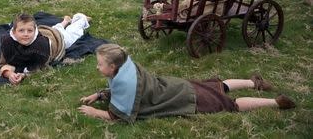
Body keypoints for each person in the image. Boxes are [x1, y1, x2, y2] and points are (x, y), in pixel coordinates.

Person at [78, 44, 295, 123]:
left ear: (113, 67)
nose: (97, 67)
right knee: (218, 85)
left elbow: (119, 116)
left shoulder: (125, 81)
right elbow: (117, 89)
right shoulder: (127, 67)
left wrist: (94, 112)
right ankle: (253, 81)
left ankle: (275, 103)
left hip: (184, 98)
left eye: (99, 64)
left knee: (230, 104)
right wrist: (99, 95)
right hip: (179, 86)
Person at [0, 13, 91, 85]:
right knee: (56, 28)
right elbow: (3, 63)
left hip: (57, 39)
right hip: (46, 32)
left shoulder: (41, 46)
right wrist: (9, 74)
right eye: (21, 30)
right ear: (14, 32)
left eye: (30, 30)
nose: (26, 34)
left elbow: (41, 67)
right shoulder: (8, 43)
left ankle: (82, 19)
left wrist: (23, 75)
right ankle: (65, 21)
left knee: (72, 33)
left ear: (35, 31)